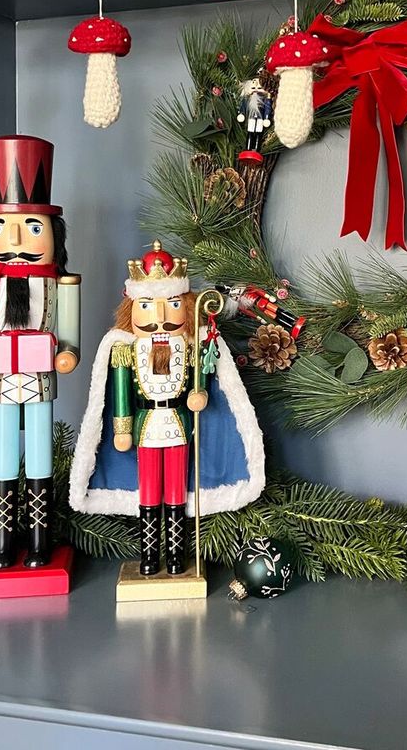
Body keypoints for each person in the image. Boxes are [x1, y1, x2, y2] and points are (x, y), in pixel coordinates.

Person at [70, 240, 264, 576]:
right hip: (145, 426)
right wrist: (122, 428)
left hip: (179, 424)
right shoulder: (124, 350)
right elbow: (119, 392)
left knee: (176, 490)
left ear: (185, 306)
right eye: (147, 305)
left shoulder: (191, 346)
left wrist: (198, 393)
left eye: (172, 304)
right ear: (132, 308)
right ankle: (149, 554)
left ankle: (176, 554)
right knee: (148, 490)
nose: (159, 317)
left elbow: (203, 373)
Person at [0, 135, 80, 570]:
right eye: (0, 226)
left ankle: (41, 543)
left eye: (32, 226)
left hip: (40, 376)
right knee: (4, 453)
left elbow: (68, 335)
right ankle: (4, 543)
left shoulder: (59, 284)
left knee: (40, 451)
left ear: (53, 234)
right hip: (0, 379)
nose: (14, 238)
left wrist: (68, 353)